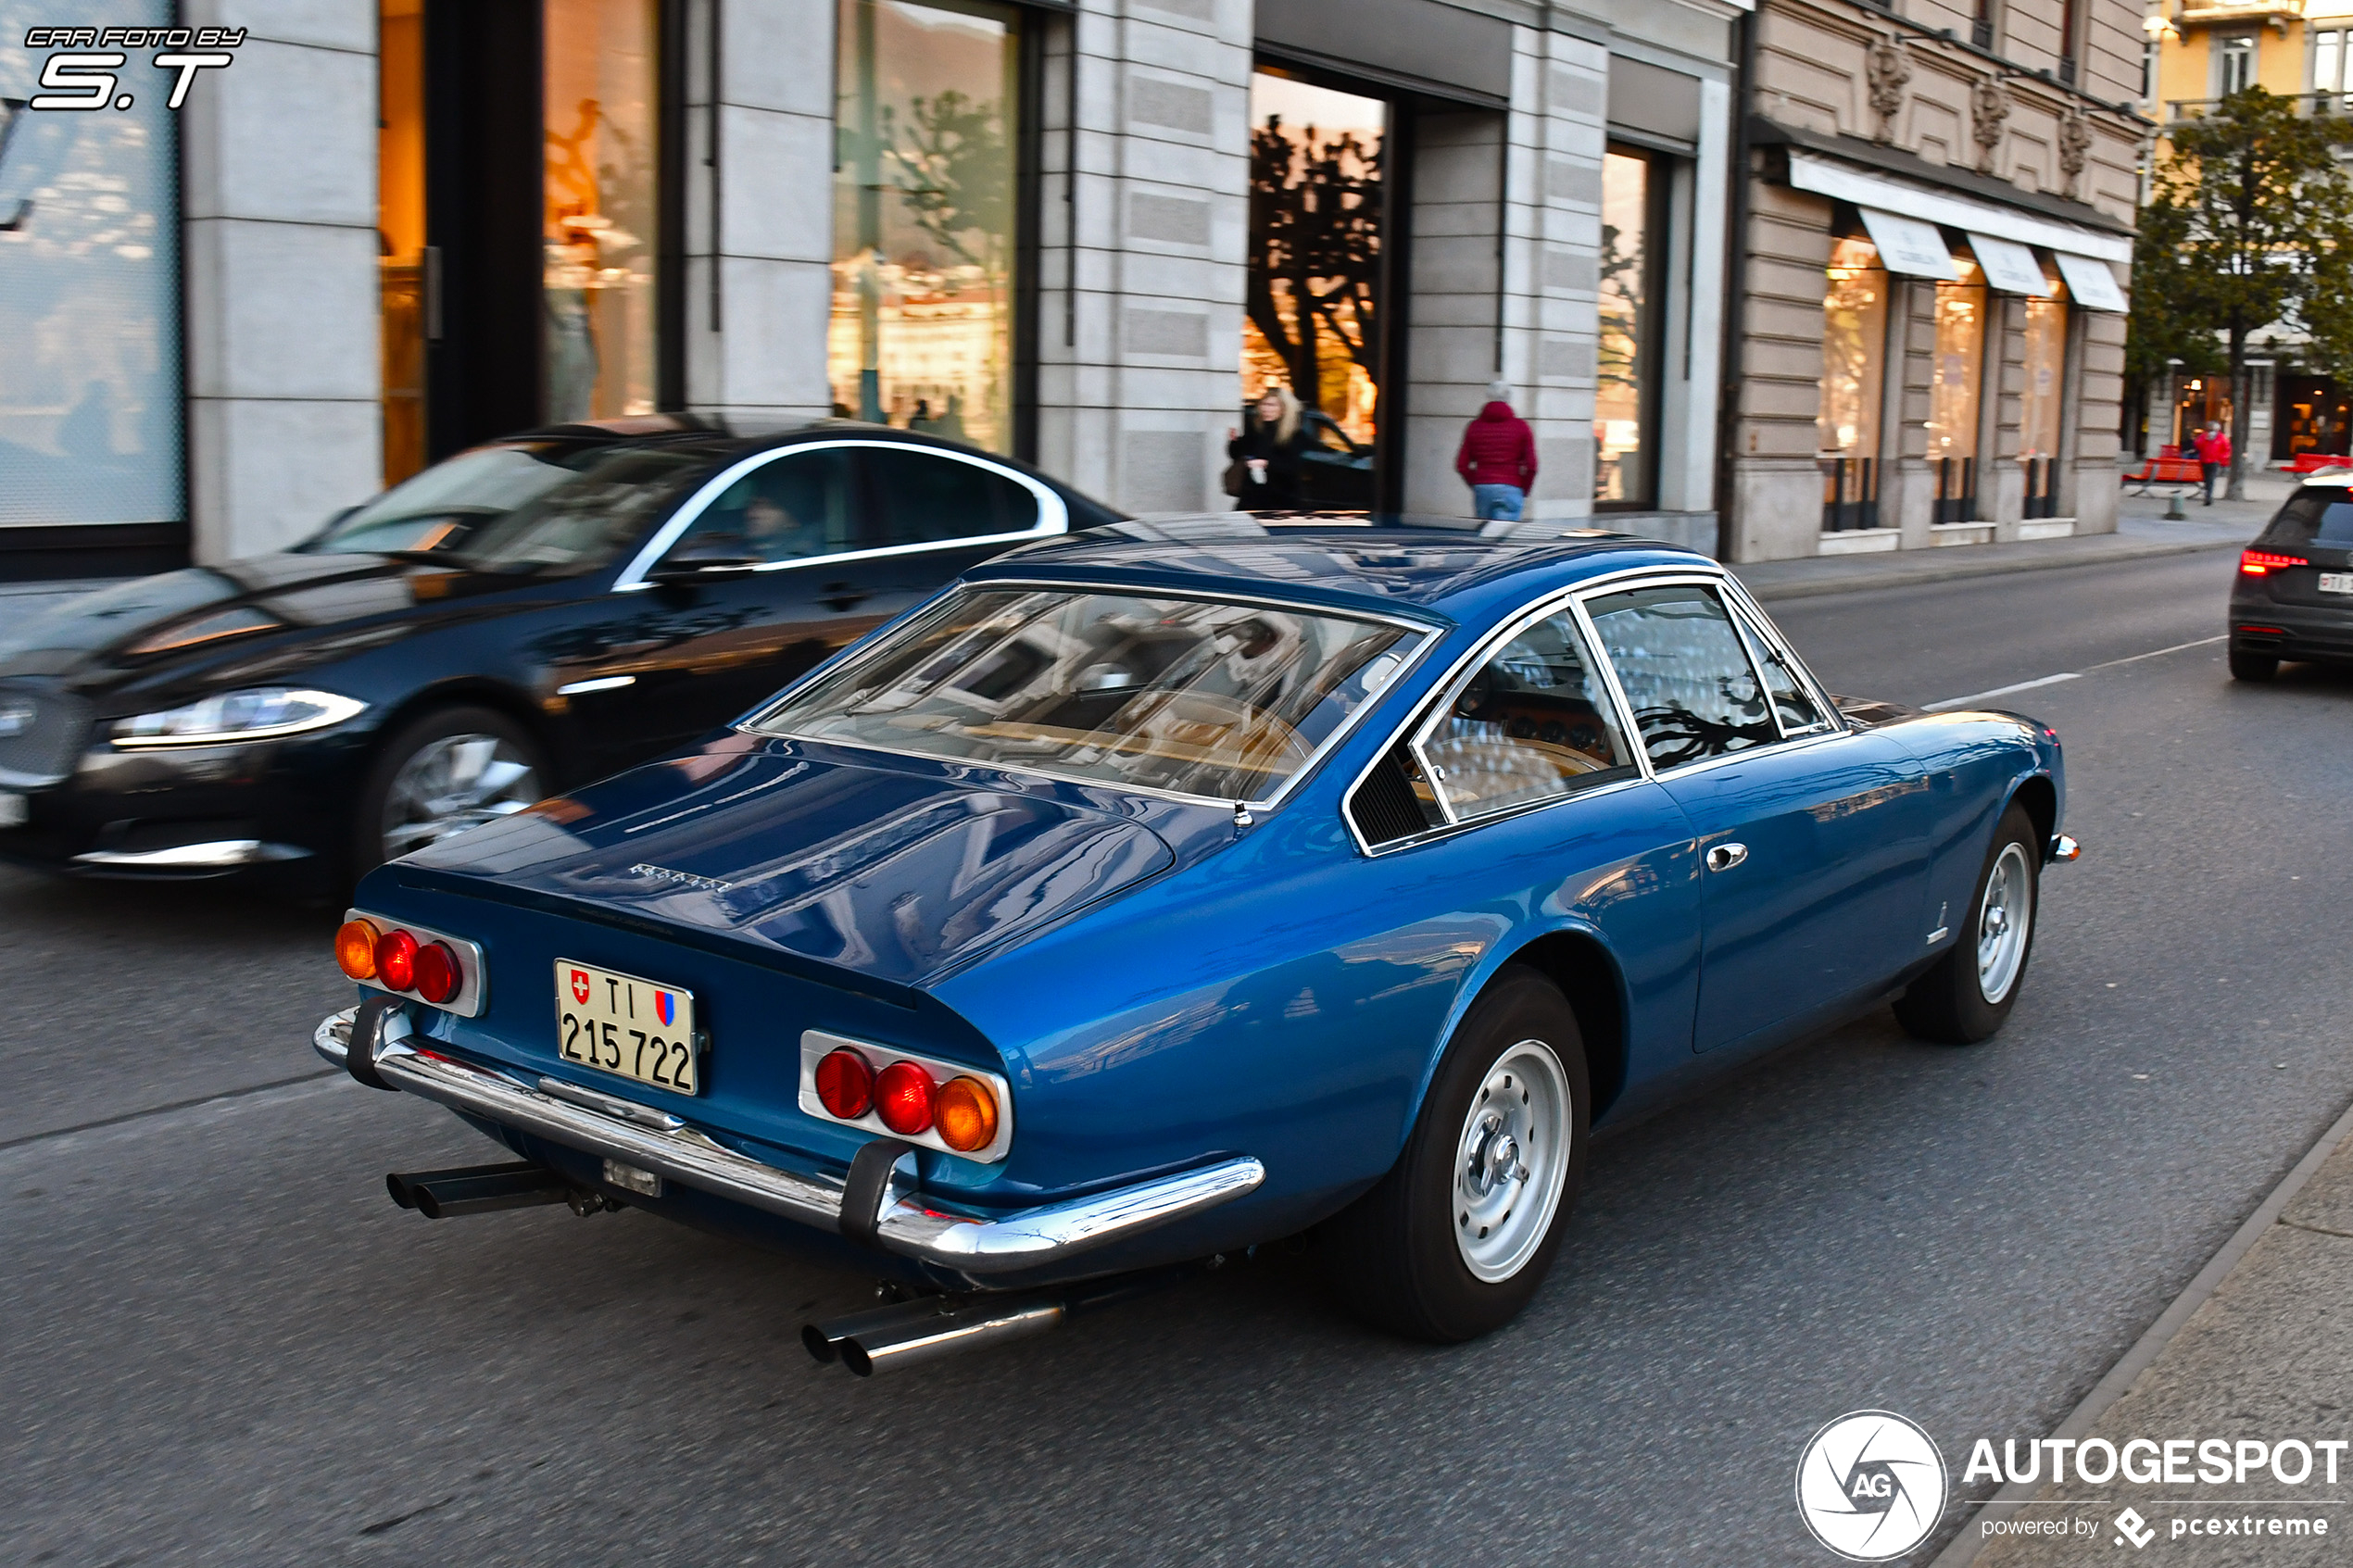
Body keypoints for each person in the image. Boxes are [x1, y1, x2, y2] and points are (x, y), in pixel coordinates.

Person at [1455, 381, 1538, 521]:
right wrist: (1524, 488)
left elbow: (1461, 465)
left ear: (1488, 396)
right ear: (1509, 398)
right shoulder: (1521, 427)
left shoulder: (1474, 426)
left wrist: (1477, 482)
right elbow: (1532, 466)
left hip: (1483, 488)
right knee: (1503, 538)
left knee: (1484, 536)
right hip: (1511, 486)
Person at [1227, 385, 1309, 510]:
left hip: (1283, 499)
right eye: (1263, 404)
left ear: (1284, 409)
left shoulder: (1295, 435)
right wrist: (1234, 441)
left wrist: (1266, 464)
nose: (1265, 409)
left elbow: (1294, 467)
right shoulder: (1256, 429)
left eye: (1271, 405)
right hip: (1252, 497)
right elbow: (1237, 455)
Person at [2192, 420, 2232, 506]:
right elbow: (2198, 445)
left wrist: (2221, 460)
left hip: (2211, 461)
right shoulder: (2220, 437)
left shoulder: (2218, 437)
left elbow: (2198, 445)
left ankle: (2208, 496)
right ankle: (2208, 495)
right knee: (2209, 479)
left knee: (2209, 479)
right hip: (2209, 461)